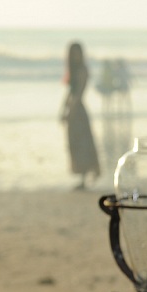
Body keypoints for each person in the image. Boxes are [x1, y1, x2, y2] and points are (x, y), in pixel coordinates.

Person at [61, 42, 101, 189]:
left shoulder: (83, 70)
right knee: (75, 144)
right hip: (74, 109)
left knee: (83, 144)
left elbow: (78, 94)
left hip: (78, 111)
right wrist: (63, 110)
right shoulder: (74, 70)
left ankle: (85, 177)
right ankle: (82, 177)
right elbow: (69, 93)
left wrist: (70, 111)